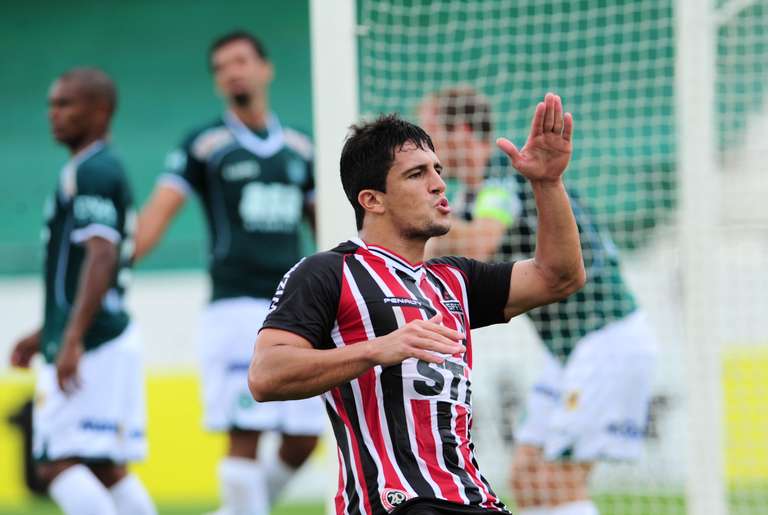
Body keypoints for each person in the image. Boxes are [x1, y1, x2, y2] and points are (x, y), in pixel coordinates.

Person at [249, 93, 586, 515]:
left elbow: (560, 276)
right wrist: (377, 349)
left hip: (472, 498)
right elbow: (265, 375)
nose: (439, 183)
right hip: (397, 503)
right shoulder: (327, 273)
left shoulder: (455, 279)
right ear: (372, 200)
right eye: (417, 174)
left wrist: (548, 184)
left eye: (438, 170)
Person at [419, 88, 658, 515]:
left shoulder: (502, 180)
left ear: (461, 133)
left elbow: (478, 245)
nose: (426, 149)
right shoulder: (480, 194)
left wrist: (426, 227)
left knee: (558, 483)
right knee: (528, 480)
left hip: (606, 339)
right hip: (570, 349)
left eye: (432, 134)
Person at [133, 31, 322, 514]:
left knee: (303, 437)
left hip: (295, 307)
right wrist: (119, 259)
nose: (232, 71)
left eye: (240, 61)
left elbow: (325, 227)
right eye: (221, 67)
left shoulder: (300, 147)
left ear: (266, 68)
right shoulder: (206, 144)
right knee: (246, 430)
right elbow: (156, 215)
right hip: (236, 305)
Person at [9, 68, 156, 515]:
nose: (54, 114)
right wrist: (47, 329)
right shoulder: (92, 168)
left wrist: (70, 338)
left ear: (100, 111)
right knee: (106, 468)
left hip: (93, 342)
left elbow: (102, 256)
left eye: (66, 104)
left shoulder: (92, 170)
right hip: (104, 335)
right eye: (52, 104)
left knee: (54, 462)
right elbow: (84, 268)